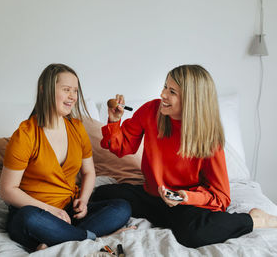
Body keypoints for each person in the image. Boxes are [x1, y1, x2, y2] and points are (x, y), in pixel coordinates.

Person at [92, 64, 277, 248]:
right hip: (154, 195)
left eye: (172, 91)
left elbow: (221, 198)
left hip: (187, 202)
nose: (163, 94)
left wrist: (185, 197)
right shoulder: (151, 110)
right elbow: (122, 147)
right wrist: (114, 122)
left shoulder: (209, 140)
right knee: (101, 194)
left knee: (191, 234)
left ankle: (253, 219)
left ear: (191, 100)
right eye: (165, 86)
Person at [0, 63, 132, 252]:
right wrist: (51, 210)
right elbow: (7, 190)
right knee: (28, 218)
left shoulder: (77, 128)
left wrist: (84, 201)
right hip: (37, 213)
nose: (73, 96)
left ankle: (58, 238)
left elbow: (89, 172)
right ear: (45, 90)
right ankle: (91, 237)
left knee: (122, 207)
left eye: (75, 91)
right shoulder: (25, 135)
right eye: (67, 90)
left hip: (69, 211)